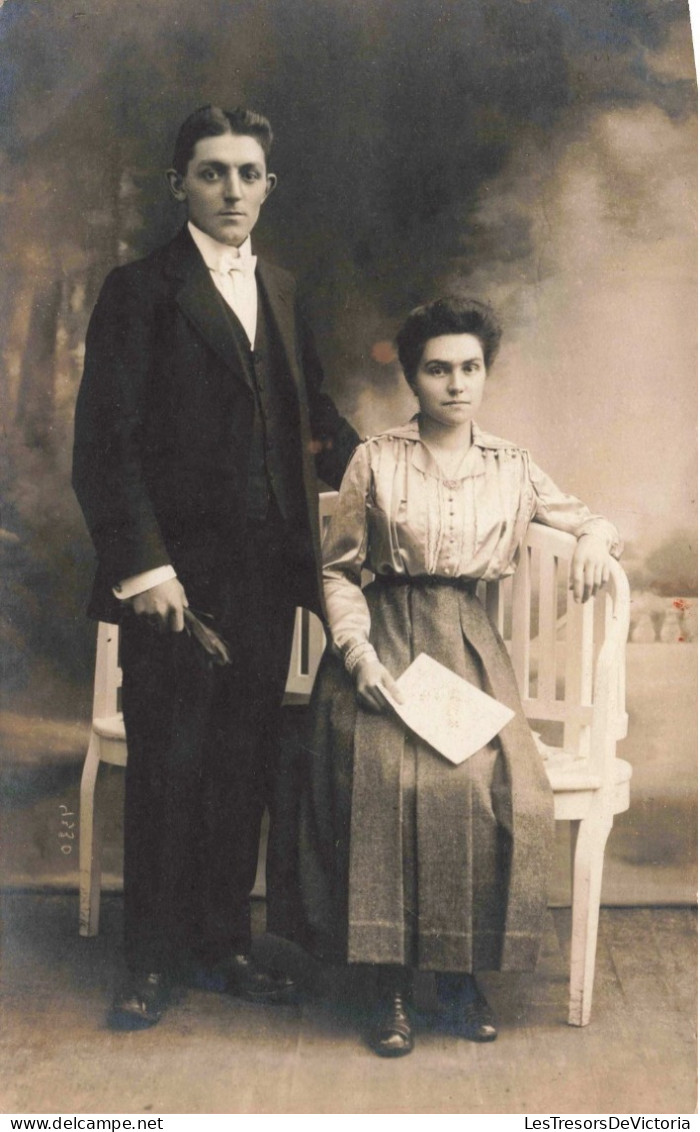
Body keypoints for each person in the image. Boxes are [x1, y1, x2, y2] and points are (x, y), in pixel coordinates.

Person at [72, 105, 359, 1030]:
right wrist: (146, 570)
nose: (232, 189)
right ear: (179, 185)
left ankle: (220, 942)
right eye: (211, 172)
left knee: (239, 766)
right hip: (176, 584)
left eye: (247, 173)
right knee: (169, 765)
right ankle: (150, 959)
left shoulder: (280, 286)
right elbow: (104, 447)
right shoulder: (140, 290)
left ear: (270, 184)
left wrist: (417, 470)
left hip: (267, 576)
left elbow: (311, 419)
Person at [299, 296, 622, 1057]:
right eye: (437, 368)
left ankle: (457, 977)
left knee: (484, 781)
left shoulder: (511, 466)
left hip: (470, 651)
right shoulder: (374, 458)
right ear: (412, 377)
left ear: (486, 374)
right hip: (384, 645)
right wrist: (359, 655)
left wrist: (594, 539)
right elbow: (339, 571)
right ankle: (389, 982)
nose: (455, 384)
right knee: (385, 775)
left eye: (469, 368)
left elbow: (589, 519)